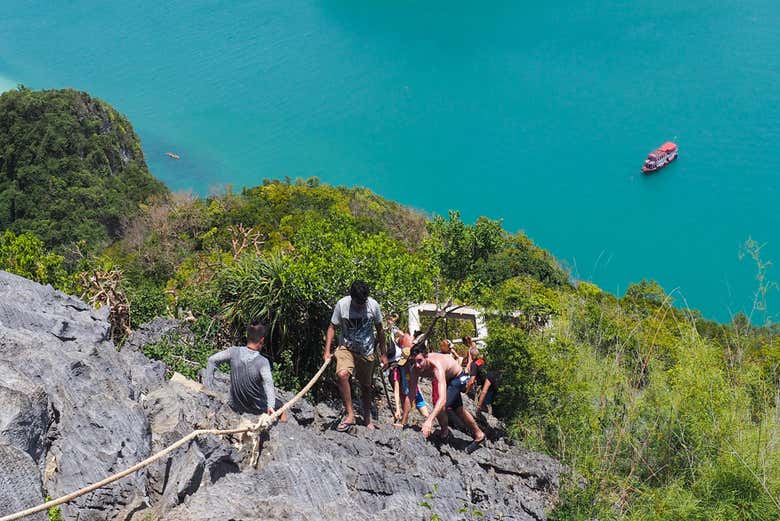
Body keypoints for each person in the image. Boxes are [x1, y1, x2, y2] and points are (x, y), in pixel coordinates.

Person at [323, 280, 387, 431]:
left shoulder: (373, 306)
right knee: (342, 374)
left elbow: (380, 330)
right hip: (347, 347)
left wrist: (384, 353)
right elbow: (332, 327)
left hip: (367, 351)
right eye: (358, 302)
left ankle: (367, 419)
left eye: (363, 301)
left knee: (366, 386)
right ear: (352, 298)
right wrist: (327, 351)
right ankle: (350, 415)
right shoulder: (342, 305)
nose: (360, 305)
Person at [406, 345, 486, 453]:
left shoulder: (436, 366)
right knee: (459, 410)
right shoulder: (415, 368)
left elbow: (442, 399)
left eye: (420, 361)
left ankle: (444, 433)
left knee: (441, 407)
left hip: (458, 377)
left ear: (426, 357)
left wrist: (429, 421)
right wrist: (402, 420)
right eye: (414, 362)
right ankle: (479, 435)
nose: (417, 365)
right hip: (448, 378)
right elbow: (411, 394)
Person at [204, 320, 277, 417]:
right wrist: (271, 406)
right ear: (262, 340)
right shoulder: (263, 362)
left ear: (248, 336)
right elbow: (269, 384)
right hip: (256, 410)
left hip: (235, 406)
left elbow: (211, 360)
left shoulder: (233, 352)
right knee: (282, 408)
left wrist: (208, 387)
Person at [394, 332, 429, 426]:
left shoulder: (414, 367)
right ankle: (404, 423)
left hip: (416, 393)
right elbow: (396, 390)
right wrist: (397, 408)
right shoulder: (398, 370)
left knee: (426, 416)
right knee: (405, 414)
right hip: (404, 394)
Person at [465, 346, 500, 413]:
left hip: (486, 385)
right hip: (493, 382)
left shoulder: (474, 364)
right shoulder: (481, 360)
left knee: (481, 402)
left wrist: (466, 392)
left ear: (471, 355)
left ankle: (483, 414)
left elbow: (471, 381)